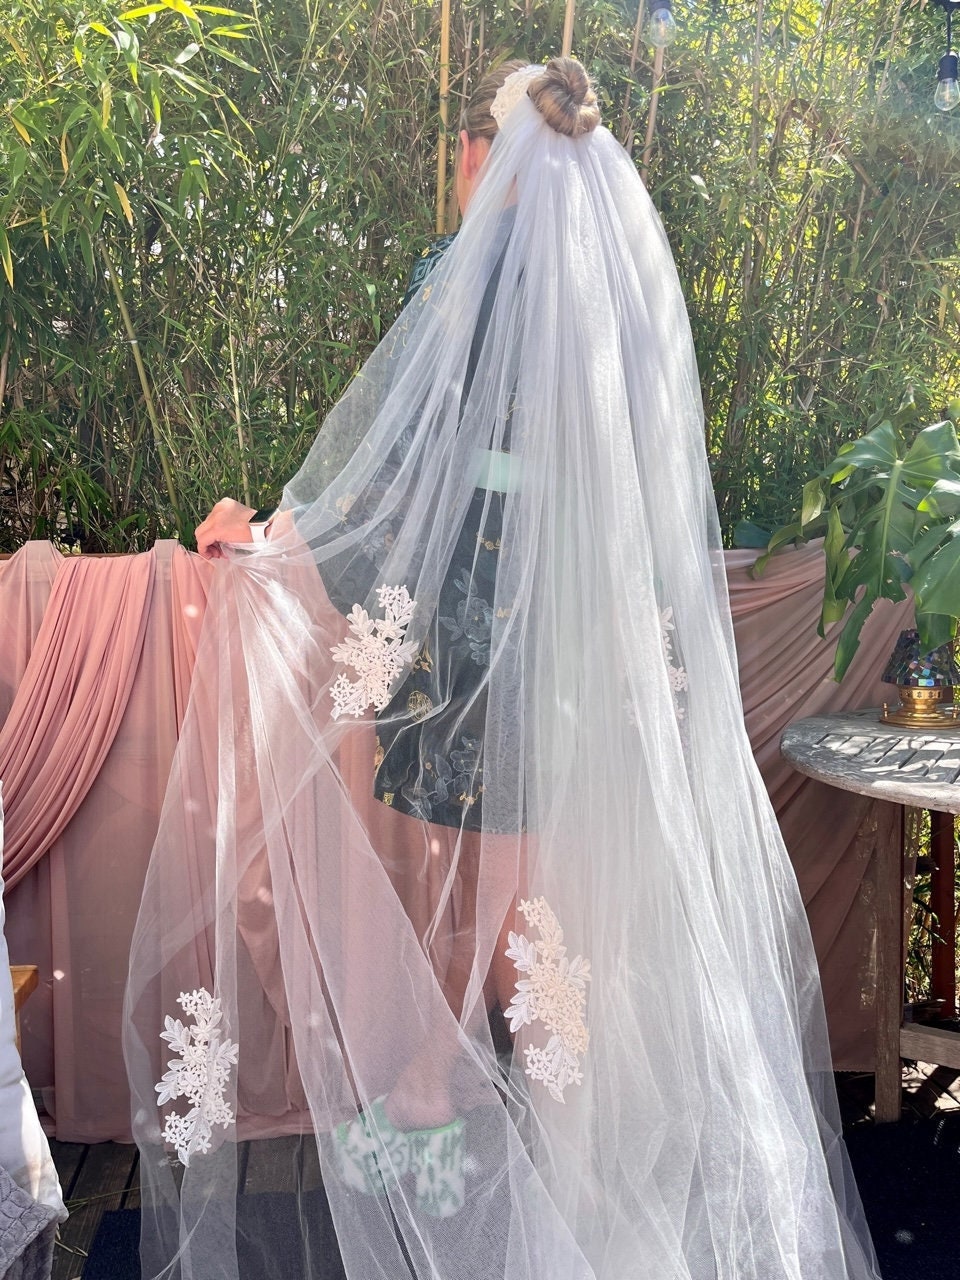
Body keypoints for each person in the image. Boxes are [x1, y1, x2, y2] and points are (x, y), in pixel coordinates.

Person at [125, 57, 882, 1280]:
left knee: (483, 878)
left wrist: (275, 542)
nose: (464, 167)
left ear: (492, 157)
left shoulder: (463, 274)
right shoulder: (617, 279)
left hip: (480, 611)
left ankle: (437, 1095)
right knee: (545, 888)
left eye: (471, 148)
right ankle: (555, 1121)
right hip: (588, 614)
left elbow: (400, 462)